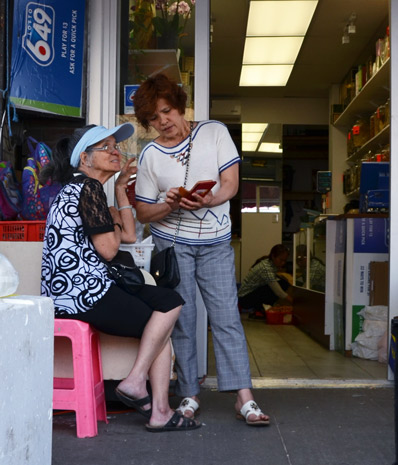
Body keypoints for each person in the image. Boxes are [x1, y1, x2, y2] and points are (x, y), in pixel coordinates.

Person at [40, 123, 200, 433]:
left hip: (85, 289)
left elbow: (128, 233)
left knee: (168, 303)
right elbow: (111, 249)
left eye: (117, 146)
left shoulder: (89, 190)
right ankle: (149, 398)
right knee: (162, 325)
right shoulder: (86, 189)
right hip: (82, 294)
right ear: (84, 158)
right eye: (107, 147)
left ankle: (146, 394)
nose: (117, 152)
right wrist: (111, 223)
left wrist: (119, 191)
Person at [133, 73, 269, 426]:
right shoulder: (150, 155)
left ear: (179, 105)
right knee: (184, 320)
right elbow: (143, 211)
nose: (164, 122)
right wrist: (170, 203)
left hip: (215, 242)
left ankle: (244, 397)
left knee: (226, 317)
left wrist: (210, 199)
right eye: (154, 119)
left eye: (167, 112)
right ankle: (190, 393)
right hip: (172, 244)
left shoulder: (214, 132)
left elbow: (231, 184)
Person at [238, 244, 292, 319]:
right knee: (277, 286)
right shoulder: (266, 268)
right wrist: (293, 301)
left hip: (249, 295)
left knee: (283, 283)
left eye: (284, 261)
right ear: (273, 256)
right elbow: (278, 291)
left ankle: (263, 308)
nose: (283, 263)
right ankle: (260, 310)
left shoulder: (270, 264)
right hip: (245, 298)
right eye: (281, 260)